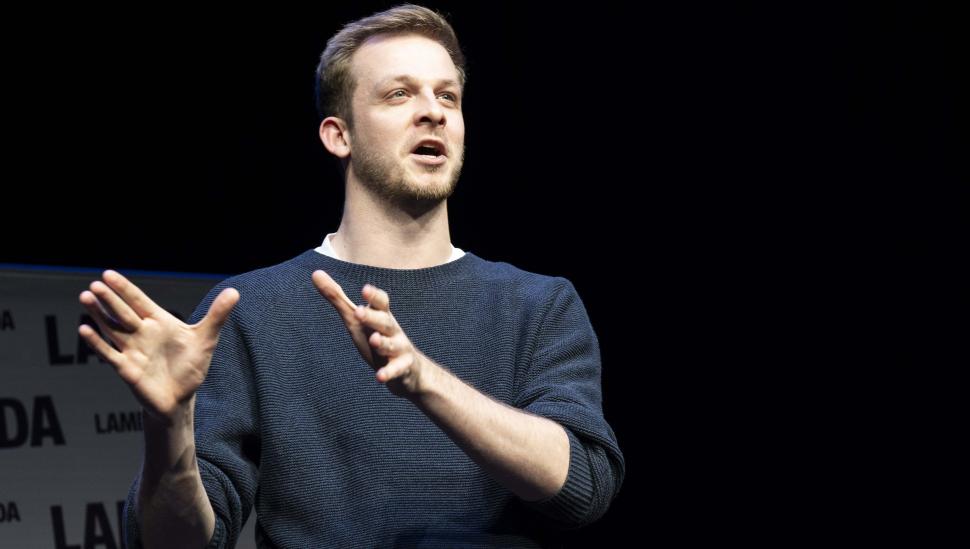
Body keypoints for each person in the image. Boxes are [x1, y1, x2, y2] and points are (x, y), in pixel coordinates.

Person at [78, 4, 624, 548]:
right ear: (339, 135)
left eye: (447, 97)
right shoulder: (256, 309)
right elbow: (174, 543)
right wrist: (169, 426)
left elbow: (583, 486)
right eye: (399, 94)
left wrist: (422, 380)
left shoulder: (537, 304)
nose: (432, 113)